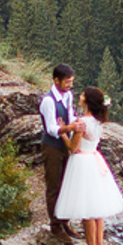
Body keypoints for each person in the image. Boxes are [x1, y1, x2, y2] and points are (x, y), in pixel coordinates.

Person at [55, 87, 123, 245]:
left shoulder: (82, 122)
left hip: (82, 162)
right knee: (97, 210)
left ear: (86, 101)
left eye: (82, 95)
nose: (80, 96)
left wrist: (63, 132)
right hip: (94, 160)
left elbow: (73, 147)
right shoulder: (97, 121)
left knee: (86, 211)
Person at [36, 65, 77, 230]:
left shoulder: (68, 96)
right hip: (52, 146)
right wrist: (68, 128)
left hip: (64, 144)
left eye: (71, 82)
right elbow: (51, 128)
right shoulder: (48, 101)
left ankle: (65, 221)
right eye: (67, 82)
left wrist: (75, 122)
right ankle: (55, 225)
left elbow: (70, 115)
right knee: (54, 185)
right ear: (56, 80)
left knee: (65, 184)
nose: (69, 85)